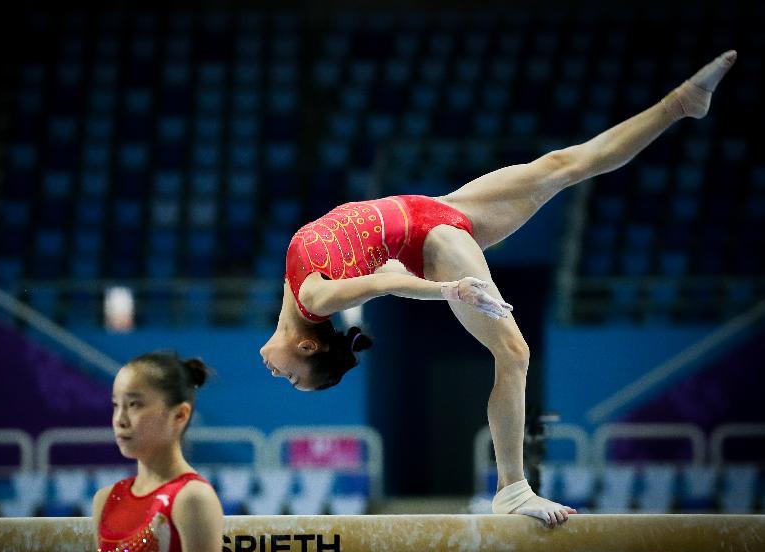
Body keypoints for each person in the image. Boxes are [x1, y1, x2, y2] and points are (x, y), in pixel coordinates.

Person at [260, 51, 737, 527]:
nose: (279, 375)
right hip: (436, 241)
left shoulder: (309, 296)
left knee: (562, 164)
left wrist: (406, 301)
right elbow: (386, 282)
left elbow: (374, 280)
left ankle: (680, 104)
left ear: (307, 344)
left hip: (438, 209)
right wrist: (448, 287)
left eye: (292, 378)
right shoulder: (315, 298)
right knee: (514, 352)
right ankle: (512, 488)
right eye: (292, 377)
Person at [92, 351, 223, 552]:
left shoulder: (192, 499)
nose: (120, 419)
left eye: (134, 405)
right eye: (115, 405)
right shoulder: (106, 499)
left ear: (180, 415)